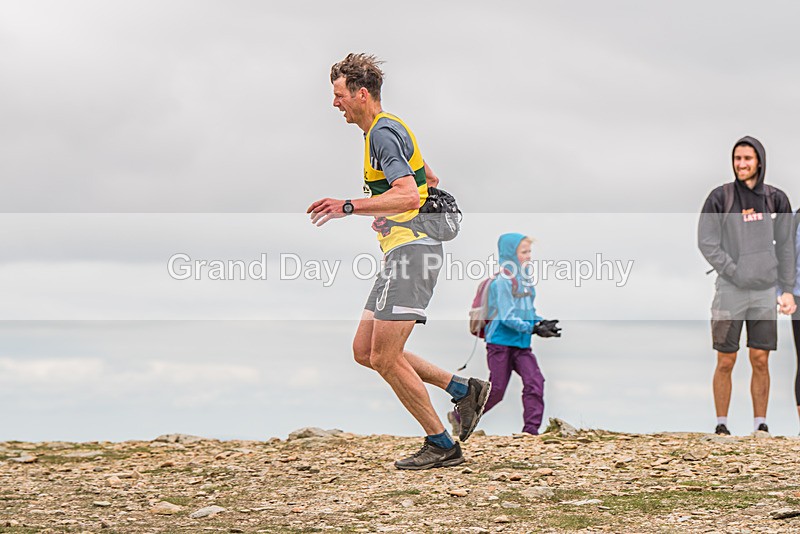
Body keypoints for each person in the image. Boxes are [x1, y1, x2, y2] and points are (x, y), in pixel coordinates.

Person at [307, 53, 490, 470]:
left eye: (339, 94)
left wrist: (349, 206)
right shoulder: (386, 130)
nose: (335, 103)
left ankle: (441, 444)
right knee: (365, 350)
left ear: (362, 94)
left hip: (413, 255)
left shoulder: (383, 135)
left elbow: (408, 193)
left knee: (386, 357)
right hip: (402, 252)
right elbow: (429, 181)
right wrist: (388, 213)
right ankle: (463, 389)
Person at [698, 136, 796, 436]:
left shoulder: (776, 199)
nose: (741, 164)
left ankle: (760, 426)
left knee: (760, 358)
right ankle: (721, 424)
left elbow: (786, 246)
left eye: (747, 159)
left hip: (765, 291)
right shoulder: (721, 197)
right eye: (737, 158)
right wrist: (734, 271)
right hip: (730, 290)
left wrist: (787, 287)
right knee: (726, 359)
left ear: (759, 162)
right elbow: (706, 241)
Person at [449, 233, 561, 436]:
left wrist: (541, 323)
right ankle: (458, 417)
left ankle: (530, 432)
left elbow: (528, 312)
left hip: (522, 344)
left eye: (529, 251)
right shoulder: (502, 282)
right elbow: (506, 317)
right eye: (524, 252)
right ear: (510, 253)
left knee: (535, 382)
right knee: (497, 390)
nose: (529, 256)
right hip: (499, 343)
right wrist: (533, 329)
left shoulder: (526, 281)